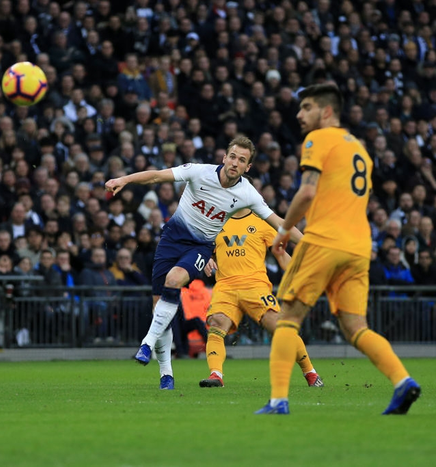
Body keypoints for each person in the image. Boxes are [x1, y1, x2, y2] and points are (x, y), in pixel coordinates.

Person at [257, 84, 420, 415]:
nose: (299, 114)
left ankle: (278, 401)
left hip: (324, 240)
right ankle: (402, 381)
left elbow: (306, 192)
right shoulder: (360, 149)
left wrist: (284, 230)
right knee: (356, 327)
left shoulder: (319, 139)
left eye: (306, 107)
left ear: (326, 111)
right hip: (359, 246)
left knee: (287, 317)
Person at [105, 136, 303, 390]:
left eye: (242, 160)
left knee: (174, 280)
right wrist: (124, 179)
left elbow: (280, 223)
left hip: (200, 247)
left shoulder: (247, 193)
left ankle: (146, 343)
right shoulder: (198, 172)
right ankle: (166, 374)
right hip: (171, 239)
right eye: (232, 156)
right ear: (224, 157)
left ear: (247, 168)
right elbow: (156, 176)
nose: (235, 163)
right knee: (159, 309)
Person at [200, 208, 323, 388]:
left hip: (255, 286)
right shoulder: (216, 220)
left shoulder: (263, 222)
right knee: (216, 324)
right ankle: (216, 375)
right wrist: (204, 259)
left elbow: (280, 254)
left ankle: (310, 372)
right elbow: (201, 249)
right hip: (225, 286)